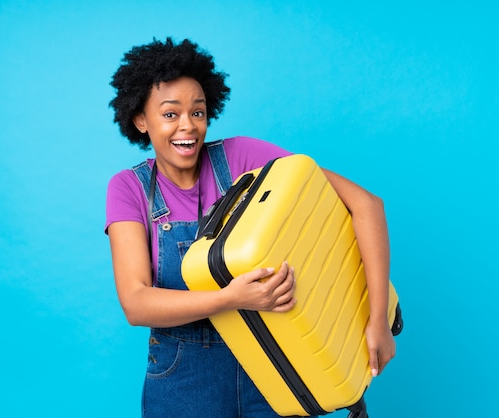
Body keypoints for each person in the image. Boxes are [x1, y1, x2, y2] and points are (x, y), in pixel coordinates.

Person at [104, 37, 395, 418]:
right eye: (170, 114)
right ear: (141, 120)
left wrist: (378, 321)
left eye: (198, 112)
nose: (187, 127)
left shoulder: (243, 157)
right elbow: (136, 302)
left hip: (275, 362)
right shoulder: (130, 189)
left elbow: (366, 204)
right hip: (183, 381)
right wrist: (231, 299)